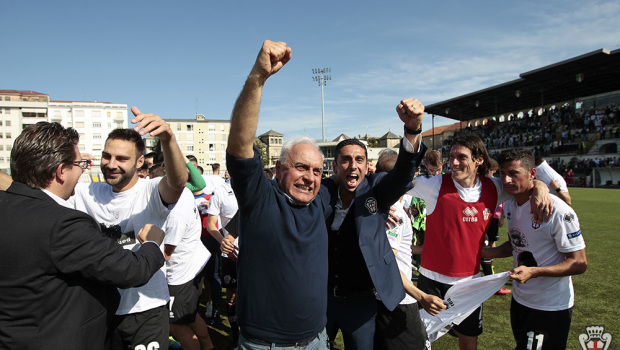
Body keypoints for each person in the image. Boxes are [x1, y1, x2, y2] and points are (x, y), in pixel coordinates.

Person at [0, 122, 166, 349]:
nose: (83, 170)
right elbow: (131, 270)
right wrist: (152, 244)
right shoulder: (62, 224)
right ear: (60, 171)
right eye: (80, 164)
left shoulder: (7, 206)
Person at [226, 40, 332, 349]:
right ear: (278, 167)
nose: (309, 177)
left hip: (316, 340)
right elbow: (240, 146)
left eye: (316, 171)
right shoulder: (259, 198)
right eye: (301, 167)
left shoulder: (322, 198)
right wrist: (258, 78)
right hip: (264, 345)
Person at [405, 133, 552, 350]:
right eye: (451, 156)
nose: (453, 162)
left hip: (470, 283)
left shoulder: (494, 187)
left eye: (461, 157)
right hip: (431, 280)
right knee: (421, 340)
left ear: (479, 159)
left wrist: (540, 186)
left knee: (469, 340)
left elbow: (525, 183)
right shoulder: (434, 184)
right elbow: (398, 184)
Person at [69, 107, 189, 350]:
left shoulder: (151, 191)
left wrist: (168, 139)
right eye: (106, 156)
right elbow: (36, 184)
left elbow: (177, 182)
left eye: (122, 159)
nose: (111, 165)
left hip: (146, 309)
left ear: (140, 161)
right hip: (101, 307)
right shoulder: (87, 192)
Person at [323, 95, 427, 349]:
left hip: (360, 305)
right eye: (345, 160)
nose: (352, 166)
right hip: (322, 301)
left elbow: (402, 175)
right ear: (335, 166)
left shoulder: (375, 189)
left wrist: (412, 130)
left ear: (367, 165)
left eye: (359, 160)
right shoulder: (322, 193)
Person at [484, 148, 587, 350]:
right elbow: (516, 245)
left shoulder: (557, 210)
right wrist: (485, 252)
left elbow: (579, 263)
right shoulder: (511, 204)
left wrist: (533, 271)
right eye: (503, 174)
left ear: (532, 174)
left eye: (514, 174)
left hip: (549, 306)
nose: (506, 180)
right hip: (521, 301)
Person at [373, 152, 445, 350]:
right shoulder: (394, 215)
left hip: (390, 299)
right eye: (412, 171)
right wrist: (421, 295)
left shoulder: (394, 204)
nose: (417, 174)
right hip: (398, 300)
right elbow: (388, 264)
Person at [149, 165, 214, 350]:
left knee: (176, 325)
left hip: (180, 274)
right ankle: (209, 347)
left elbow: (166, 254)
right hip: (192, 264)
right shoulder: (183, 192)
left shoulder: (175, 214)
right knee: (190, 314)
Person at [207, 180, 240, 348]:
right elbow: (210, 225)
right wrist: (223, 242)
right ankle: (235, 334)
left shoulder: (258, 186)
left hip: (256, 253)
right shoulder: (220, 191)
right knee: (232, 294)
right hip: (230, 254)